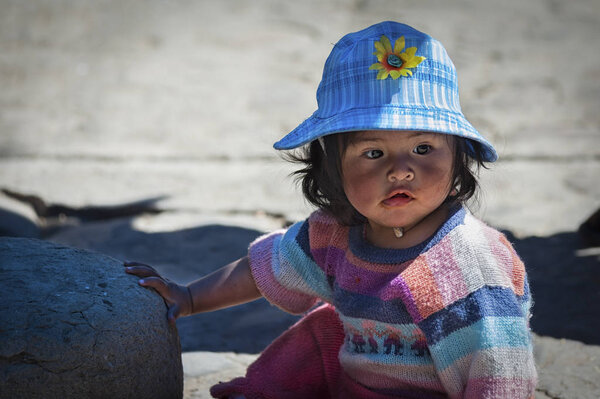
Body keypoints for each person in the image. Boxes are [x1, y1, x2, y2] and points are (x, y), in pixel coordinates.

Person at [125, 21, 537, 398]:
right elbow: (266, 266)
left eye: (423, 148)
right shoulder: (334, 234)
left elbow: (501, 375)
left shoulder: (467, 266)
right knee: (320, 330)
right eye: (373, 152)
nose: (401, 171)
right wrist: (190, 297)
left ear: (458, 156)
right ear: (332, 169)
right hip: (351, 385)